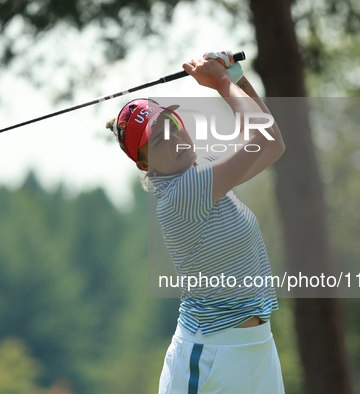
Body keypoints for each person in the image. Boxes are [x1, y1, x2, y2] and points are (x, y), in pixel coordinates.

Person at [106, 51, 286, 393]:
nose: (174, 138)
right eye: (158, 141)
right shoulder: (180, 194)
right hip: (209, 358)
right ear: (145, 164)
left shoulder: (201, 166)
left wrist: (237, 79)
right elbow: (259, 139)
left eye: (170, 125)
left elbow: (273, 144)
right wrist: (220, 83)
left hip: (258, 348)